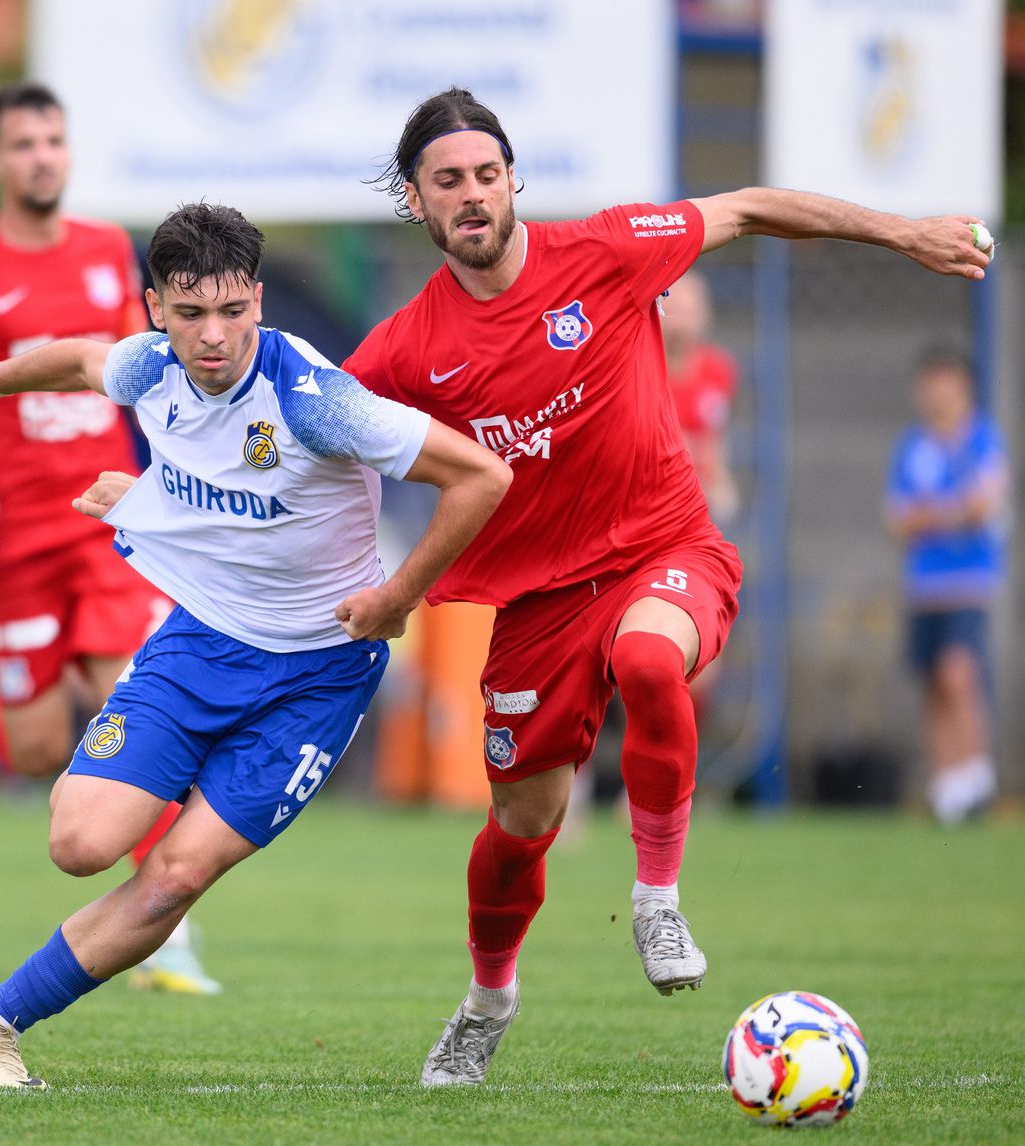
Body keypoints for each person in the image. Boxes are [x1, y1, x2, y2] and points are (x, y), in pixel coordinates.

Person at [341, 86, 993, 1086]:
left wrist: (903, 233)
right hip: (537, 604)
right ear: (416, 203)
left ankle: (657, 899)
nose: (471, 195)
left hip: (664, 545)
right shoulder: (404, 348)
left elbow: (749, 206)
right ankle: (488, 1000)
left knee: (652, 659)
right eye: (446, 183)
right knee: (520, 827)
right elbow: (311, 431)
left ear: (513, 179)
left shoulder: (605, 250)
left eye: (484, 174)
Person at [0, 201, 510, 1089]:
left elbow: (481, 476)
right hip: (199, 642)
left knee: (172, 877)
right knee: (79, 843)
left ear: (260, 304)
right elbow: (81, 357)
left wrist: (397, 596)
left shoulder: (315, 402)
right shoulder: (145, 366)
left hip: (319, 676)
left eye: (234, 313)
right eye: (190, 314)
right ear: (155, 308)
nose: (214, 337)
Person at [0, 82, 215, 993]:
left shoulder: (109, 251)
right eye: (23, 143)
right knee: (33, 754)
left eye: (54, 141)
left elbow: (138, 373)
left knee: (142, 712)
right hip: (7, 536)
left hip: (105, 521)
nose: (41, 158)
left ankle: (168, 935)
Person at [884, 349, 1008, 824]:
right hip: (924, 582)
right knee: (933, 682)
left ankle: (975, 776)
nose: (937, 391)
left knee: (960, 674)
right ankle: (946, 785)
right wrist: (951, 512)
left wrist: (931, 514)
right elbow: (898, 519)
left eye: (946, 381)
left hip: (968, 580)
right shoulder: (912, 444)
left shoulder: (981, 437)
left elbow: (985, 504)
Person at [661, 269, 740, 524]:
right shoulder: (641, 368)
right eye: (674, 310)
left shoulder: (718, 367)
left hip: (696, 488)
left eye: (689, 311)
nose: (682, 322)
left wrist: (718, 479)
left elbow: (714, 436)